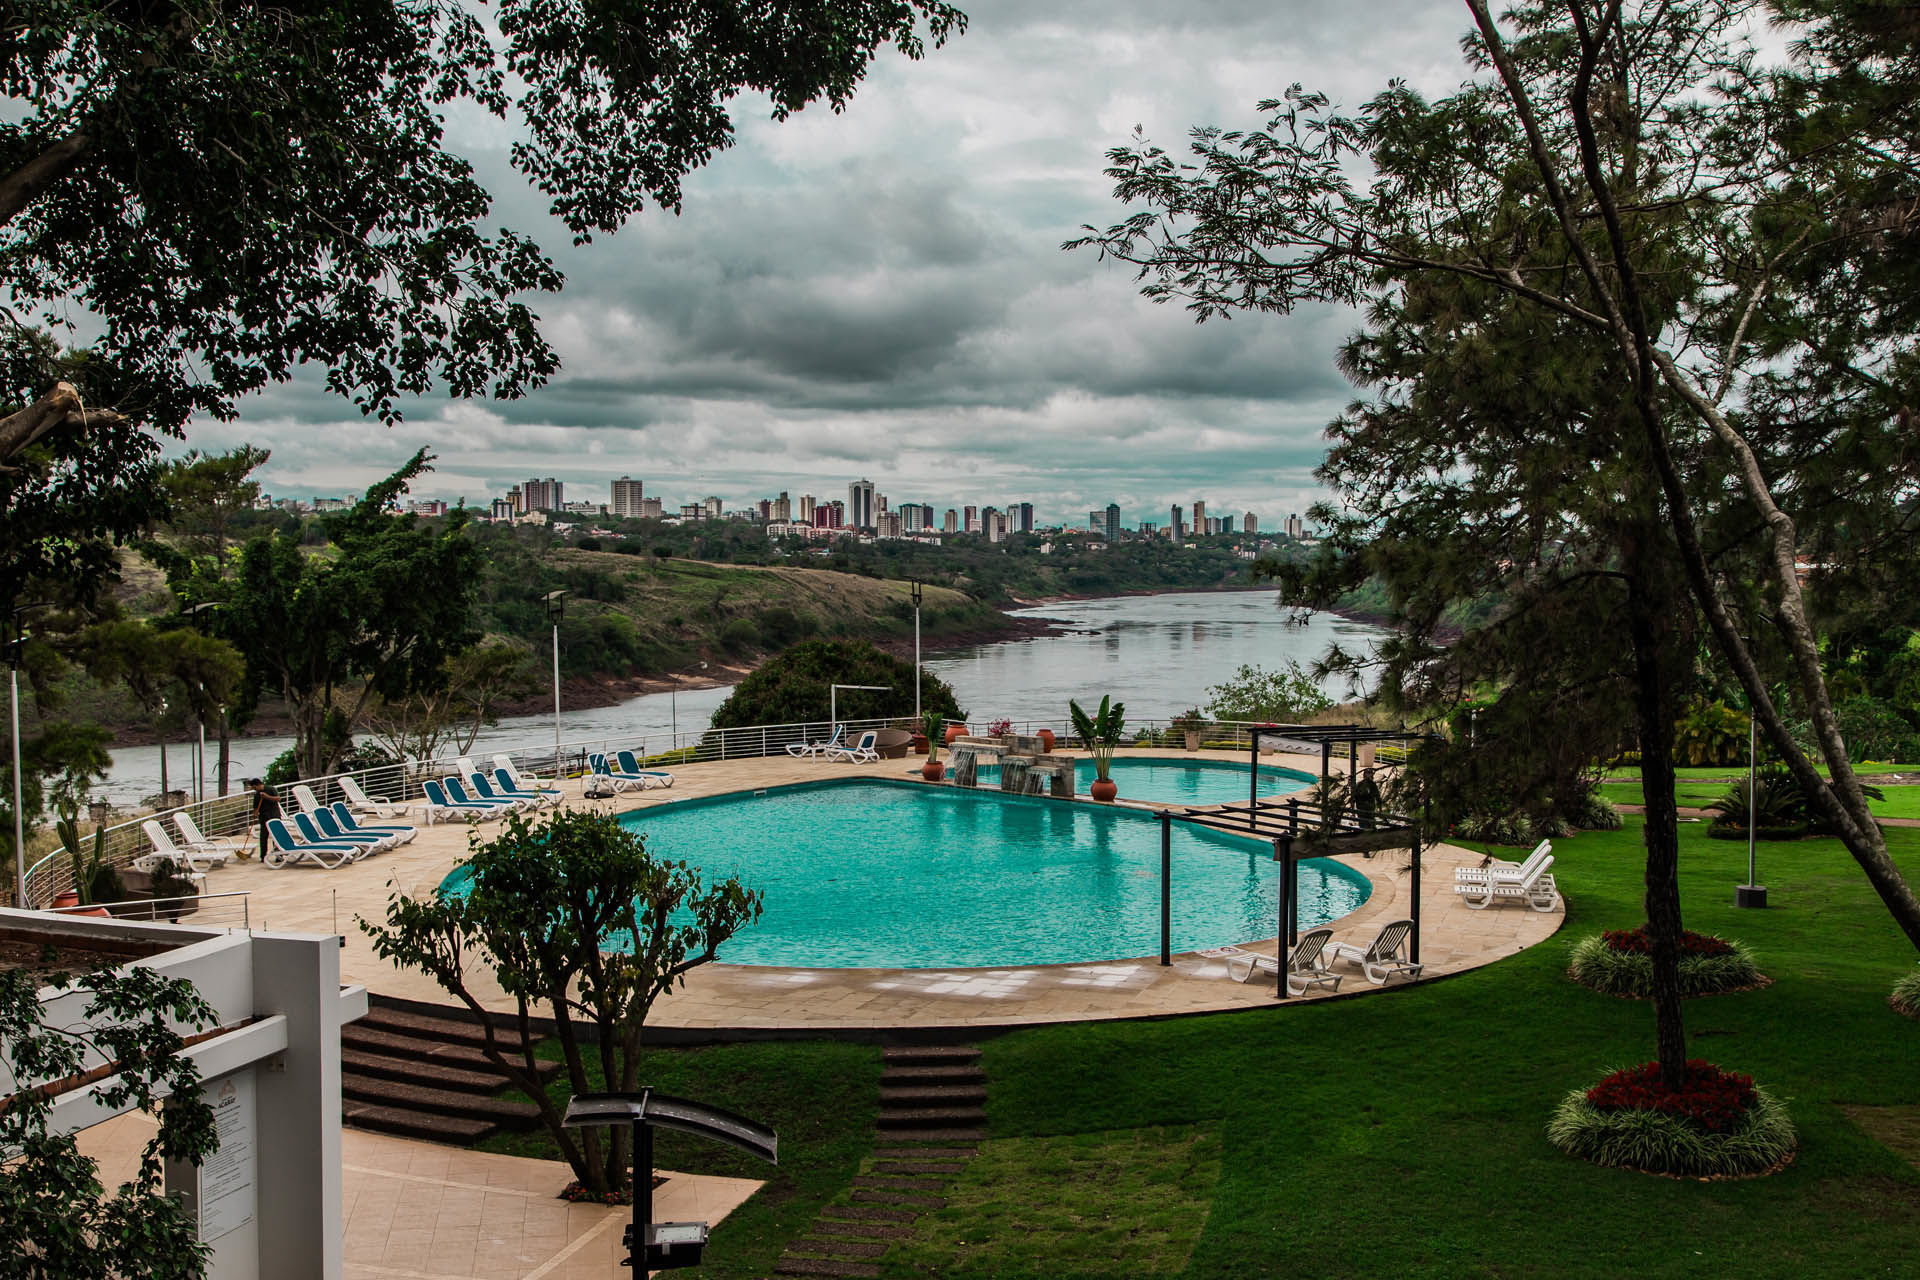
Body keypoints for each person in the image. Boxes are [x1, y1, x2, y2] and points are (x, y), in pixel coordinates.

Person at [245, 777, 281, 862]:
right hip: (264, 817)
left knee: (276, 837)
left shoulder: (271, 789)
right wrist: (255, 813)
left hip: (274, 816)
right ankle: (263, 856)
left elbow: (278, 799)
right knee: (263, 837)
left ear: (259, 785)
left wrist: (267, 796)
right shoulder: (257, 794)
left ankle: (279, 856)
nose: (255, 790)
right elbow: (255, 807)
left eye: (255, 788)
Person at [1353, 766, 1382, 831]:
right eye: (1368, 773)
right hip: (1362, 809)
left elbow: (1377, 797)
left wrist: (1380, 808)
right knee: (1365, 825)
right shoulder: (1360, 784)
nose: (1370, 775)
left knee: (1369, 825)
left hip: (1369, 809)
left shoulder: (1372, 785)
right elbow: (1355, 796)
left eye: (1370, 773)